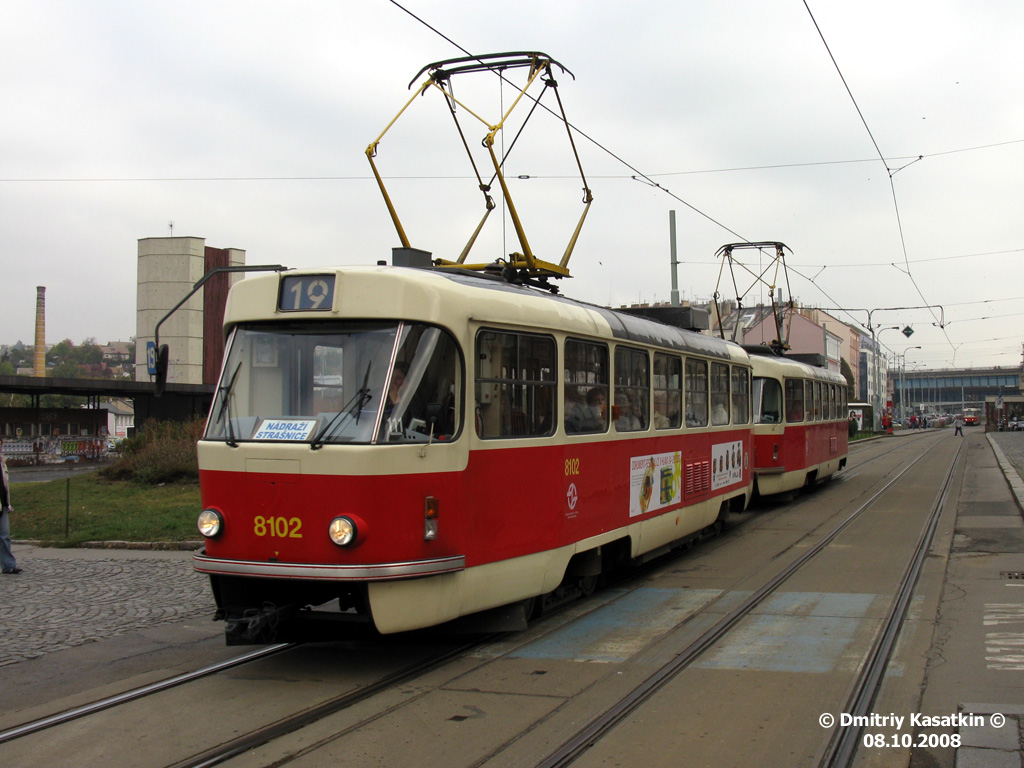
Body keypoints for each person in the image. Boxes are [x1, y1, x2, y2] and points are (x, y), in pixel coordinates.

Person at [1, 444, 22, 575]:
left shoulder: (2, 463)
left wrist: (7, 503)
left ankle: (8, 565)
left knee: (4, 535)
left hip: (2, 505)